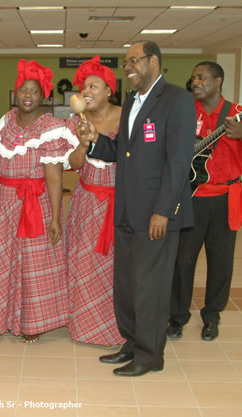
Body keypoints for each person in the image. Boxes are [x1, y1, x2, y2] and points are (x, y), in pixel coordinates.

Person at [78, 40, 196, 377]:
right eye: (126, 62)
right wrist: (95, 140)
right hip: (127, 211)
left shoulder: (177, 100)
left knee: (151, 288)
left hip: (157, 214)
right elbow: (121, 151)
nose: (127, 68)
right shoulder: (132, 102)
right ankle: (131, 342)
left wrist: (165, 210)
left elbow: (178, 162)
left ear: (153, 62)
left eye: (133, 61)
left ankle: (150, 356)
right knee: (127, 285)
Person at [168, 61, 242, 341]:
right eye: (193, 77)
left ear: (219, 80)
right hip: (191, 198)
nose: (195, 82)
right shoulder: (185, 111)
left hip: (226, 198)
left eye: (201, 77)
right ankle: (176, 316)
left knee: (221, 263)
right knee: (182, 261)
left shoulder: (238, 114)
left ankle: (212, 316)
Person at [0, 59, 75, 343]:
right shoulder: (4, 123)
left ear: (43, 96)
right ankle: (0, 317)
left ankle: (33, 322)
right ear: (15, 92)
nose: (28, 95)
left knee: (35, 264)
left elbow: (55, 177)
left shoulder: (50, 127)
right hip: (4, 203)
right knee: (3, 260)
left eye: (34, 91)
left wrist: (57, 218)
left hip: (37, 203)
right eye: (23, 89)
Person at [65, 56, 125, 347]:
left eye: (93, 85)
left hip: (118, 202)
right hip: (87, 202)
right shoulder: (77, 121)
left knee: (115, 266)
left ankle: (116, 325)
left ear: (109, 90)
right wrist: (83, 142)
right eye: (83, 86)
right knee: (84, 263)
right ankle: (85, 325)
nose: (86, 91)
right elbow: (74, 164)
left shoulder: (127, 118)